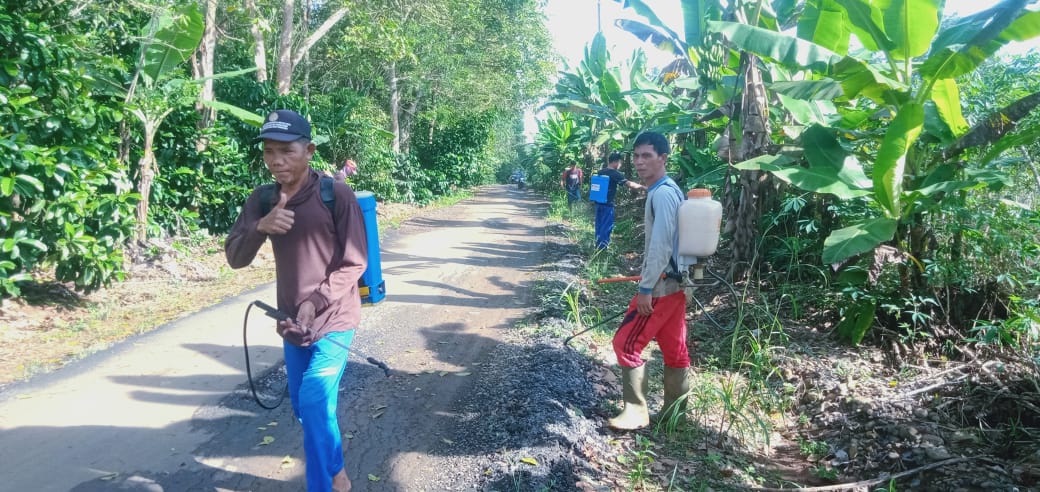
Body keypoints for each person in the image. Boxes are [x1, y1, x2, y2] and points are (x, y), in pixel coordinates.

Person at [225, 110, 367, 492]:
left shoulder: (335, 194)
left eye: (286, 151)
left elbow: (356, 261)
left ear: (309, 151)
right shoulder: (263, 199)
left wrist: (316, 301)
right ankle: (337, 470)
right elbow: (235, 257)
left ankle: (324, 486)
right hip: (292, 323)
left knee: (315, 400)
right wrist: (260, 227)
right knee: (306, 410)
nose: (276, 160)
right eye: (269, 152)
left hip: (335, 317)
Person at [607, 131, 690, 431]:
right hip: (676, 286)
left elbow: (661, 246)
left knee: (625, 343)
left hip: (661, 287)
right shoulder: (667, 189)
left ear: (663, 158)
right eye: (636, 156)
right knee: (674, 348)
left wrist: (645, 289)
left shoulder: (663, 194)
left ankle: (636, 412)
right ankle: (675, 414)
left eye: (647, 156)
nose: (640, 162)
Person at [593, 152, 645, 249]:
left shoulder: (601, 172)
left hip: (598, 203)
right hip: (607, 204)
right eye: (620, 162)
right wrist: (643, 187)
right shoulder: (615, 173)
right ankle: (602, 249)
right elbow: (629, 184)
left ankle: (597, 245)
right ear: (616, 162)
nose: (620, 165)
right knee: (606, 226)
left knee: (599, 225)